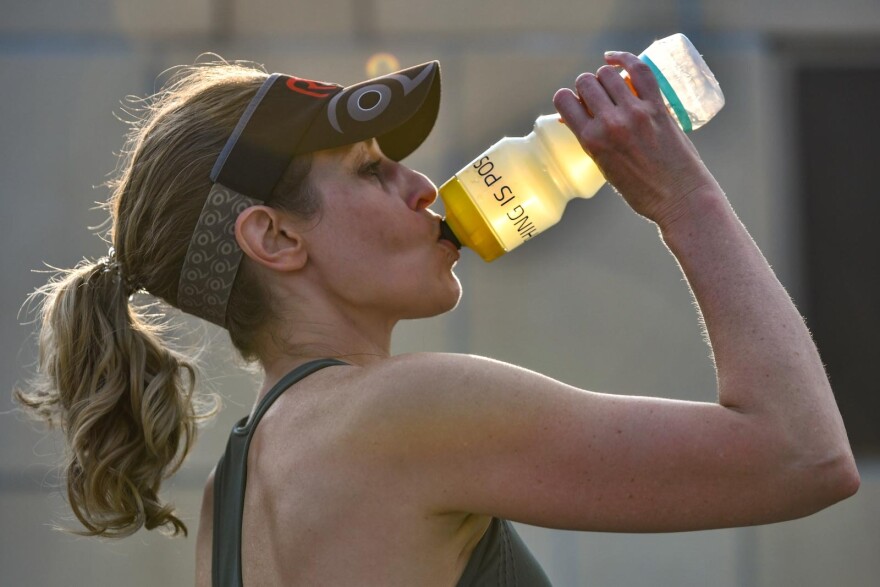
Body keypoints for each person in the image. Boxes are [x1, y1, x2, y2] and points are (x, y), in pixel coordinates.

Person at [15, 51, 859, 587]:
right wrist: (683, 197)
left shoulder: (233, 493)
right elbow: (802, 452)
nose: (423, 187)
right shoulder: (406, 410)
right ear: (274, 236)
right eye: (371, 171)